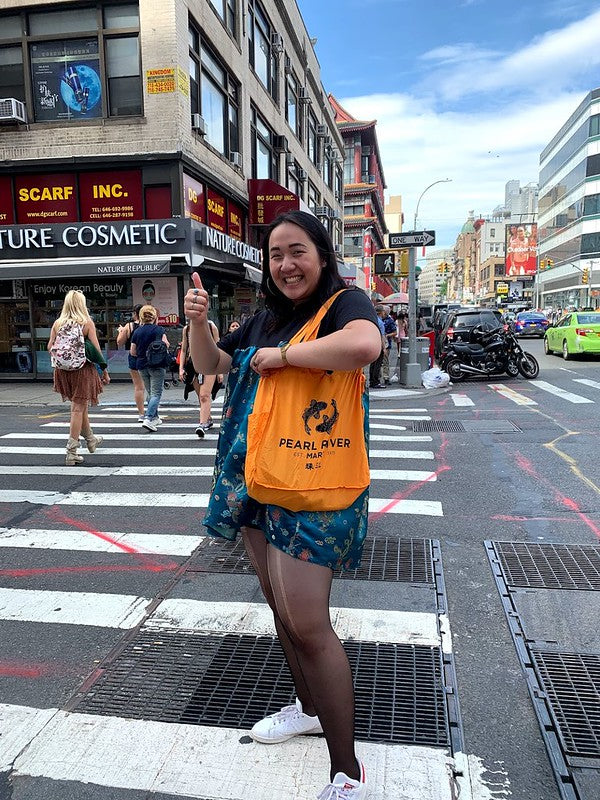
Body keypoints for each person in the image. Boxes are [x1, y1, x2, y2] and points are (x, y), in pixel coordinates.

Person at [184, 210, 380, 800]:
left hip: (314, 481)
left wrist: (286, 358)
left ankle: (347, 773)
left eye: (297, 251)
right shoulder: (265, 317)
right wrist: (199, 326)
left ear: (321, 255)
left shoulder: (346, 303)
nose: (287, 265)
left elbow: (365, 345)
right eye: (275, 255)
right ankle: (308, 707)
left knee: (308, 623)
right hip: (258, 479)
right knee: (280, 611)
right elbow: (210, 366)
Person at [48, 289, 109, 465]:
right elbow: (97, 351)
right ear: (82, 304)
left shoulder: (57, 324)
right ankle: (72, 450)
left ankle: (90, 439)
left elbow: (50, 347)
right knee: (77, 408)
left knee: (80, 406)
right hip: (82, 370)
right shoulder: (86, 322)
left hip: (62, 371)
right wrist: (104, 371)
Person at [179, 316, 221, 438]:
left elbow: (219, 347)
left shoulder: (211, 327)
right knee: (200, 396)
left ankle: (202, 424)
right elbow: (183, 349)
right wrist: (181, 368)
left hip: (210, 363)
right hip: (193, 364)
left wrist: (220, 371)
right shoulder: (187, 329)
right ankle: (208, 419)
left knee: (204, 395)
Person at [130, 305, 170, 432]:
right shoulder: (159, 330)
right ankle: (148, 418)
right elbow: (166, 344)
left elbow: (133, 351)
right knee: (156, 393)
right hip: (157, 364)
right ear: (154, 316)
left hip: (141, 365)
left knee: (150, 392)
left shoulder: (137, 331)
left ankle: (156, 417)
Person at [116, 304, 145, 421]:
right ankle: (153, 413)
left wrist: (121, 331)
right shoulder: (152, 325)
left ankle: (141, 414)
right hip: (150, 358)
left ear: (135, 314)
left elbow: (120, 342)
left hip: (134, 357)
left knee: (139, 387)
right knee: (152, 387)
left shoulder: (130, 326)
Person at [369, 305, 386, 388]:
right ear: (380, 312)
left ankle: (372, 380)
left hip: (373, 344)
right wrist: (384, 347)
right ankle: (375, 381)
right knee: (378, 364)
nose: (384, 313)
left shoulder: (373, 320)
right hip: (379, 344)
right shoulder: (380, 322)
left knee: (373, 363)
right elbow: (382, 335)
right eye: (383, 311)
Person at [380, 305, 396, 384]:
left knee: (385, 361)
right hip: (378, 343)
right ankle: (377, 377)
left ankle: (386, 377)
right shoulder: (378, 319)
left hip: (386, 344)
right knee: (378, 362)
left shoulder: (390, 320)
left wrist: (387, 335)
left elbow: (395, 332)